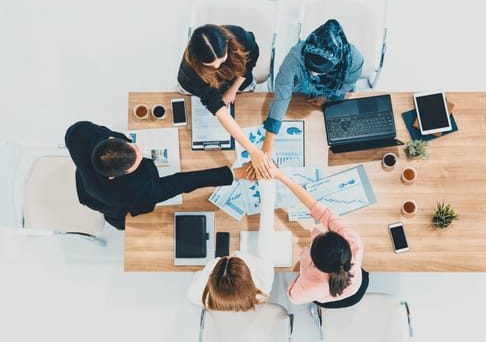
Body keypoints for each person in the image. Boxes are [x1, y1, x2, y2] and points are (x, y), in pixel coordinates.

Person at [65, 121, 251, 230]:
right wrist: (235, 174)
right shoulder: (135, 191)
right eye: (137, 162)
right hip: (103, 201)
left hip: (85, 176)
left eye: (133, 148)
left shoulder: (78, 132)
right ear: (115, 177)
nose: (140, 153)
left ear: (112, 140)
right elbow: (181, 183)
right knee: (126, 220)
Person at [178, 24, 272, 179]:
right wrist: (254, 152)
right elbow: (217, 108)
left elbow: (251, 59)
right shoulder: (191, 72)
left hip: (235, 78)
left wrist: (234, 89)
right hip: (203, 87)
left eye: (221, 60)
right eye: (210, 64)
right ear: (197, 59)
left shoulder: (239, 36)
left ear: (227, 44)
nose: (216, 66)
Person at [261, 19, 364, 155]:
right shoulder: (295, 57)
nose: (313, 74)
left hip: (332, 90)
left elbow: (347, 84)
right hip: (301, 88)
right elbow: (282, 96)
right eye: (310, 68)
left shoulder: (354, 60)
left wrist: (328, 98)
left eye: (319, 71)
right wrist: (268, 143)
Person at [272, 165, 368, 308]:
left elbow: (292, 294)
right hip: (357, 285)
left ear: (314, 262)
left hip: (335, 297)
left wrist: (304, 271)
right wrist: (282, 177)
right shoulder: (353, 242)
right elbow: (317, 207)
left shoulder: (311, 285)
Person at [187, 180, 275, 311]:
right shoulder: (264, 282)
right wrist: (267, 182)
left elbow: (197, 275)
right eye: (234, 258)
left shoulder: (196, 293)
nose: (230, 255)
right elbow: (267, 226)